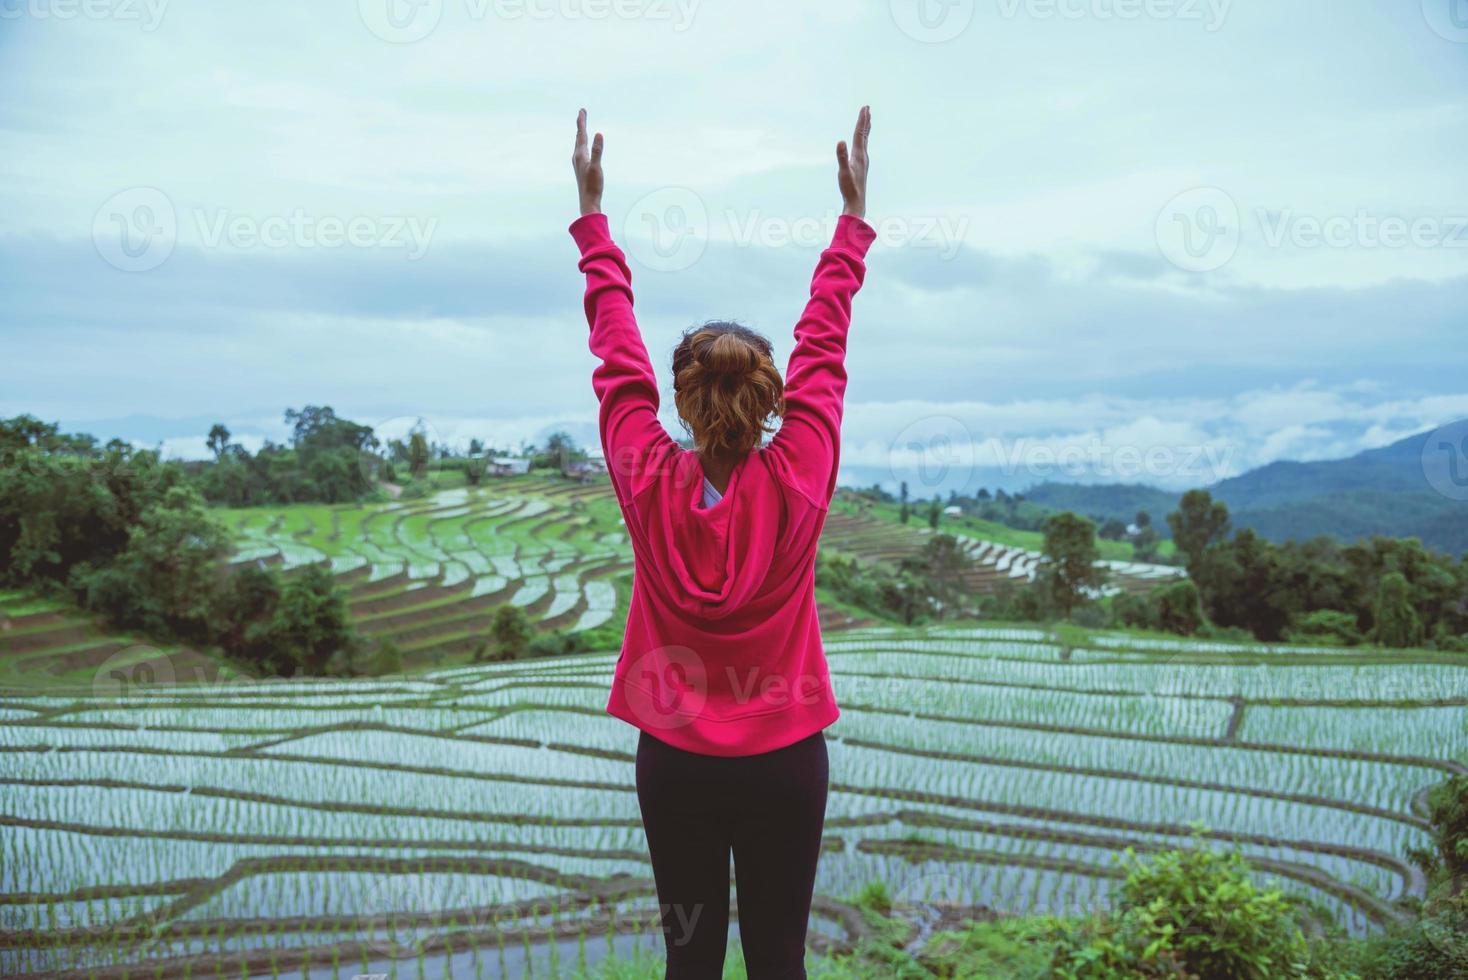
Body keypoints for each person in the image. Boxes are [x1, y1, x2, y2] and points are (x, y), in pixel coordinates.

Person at [569, 106, 874, 979]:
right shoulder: (802, 473)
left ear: (683, 400)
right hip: (786, 763)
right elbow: (827, 342)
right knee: (779, 962)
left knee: (689, 961)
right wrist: (849, 227)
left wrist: (594, 220)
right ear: (773, 400)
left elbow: (615, 356)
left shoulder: (645, 475)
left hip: (676, 764)